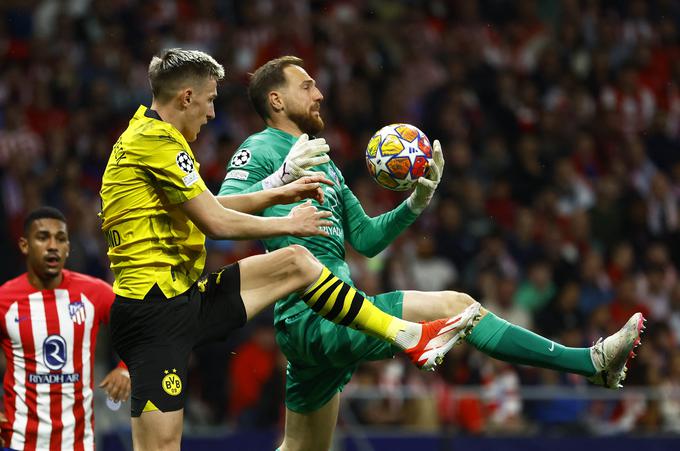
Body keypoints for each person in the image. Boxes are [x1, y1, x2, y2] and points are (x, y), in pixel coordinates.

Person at [218, 56, 646, 451]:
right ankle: (590, 363)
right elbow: (219, 211)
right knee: (459, 307)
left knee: (302, 448)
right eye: (307, 86)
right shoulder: (262, 150)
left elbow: (366, 240)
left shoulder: (323, 160)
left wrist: (415, 204)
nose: (319, 94)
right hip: (315, 317)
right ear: (275, 99)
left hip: (335, 311)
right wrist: (279, 178)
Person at [100, 48, 476, 451]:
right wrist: (287, 220)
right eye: (209, 100)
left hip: (186, 297)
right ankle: (407, 334)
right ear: (186, 97)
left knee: (297, 261)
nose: (212, 113)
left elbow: (210, 204)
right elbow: (216, 222)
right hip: (155, 311)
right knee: (159, 448)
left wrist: (282, 187)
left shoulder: (157, 138)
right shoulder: (155, 141)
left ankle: (405, 335)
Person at [0, 207, 131, 450]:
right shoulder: (5, 300)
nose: (53, 246)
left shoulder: (94, 293)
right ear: (24, 245)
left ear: (68, 247)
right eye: (43, 237)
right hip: (19, 443)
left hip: (78, 443)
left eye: (60, 239)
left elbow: (141, 328)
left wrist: (125, 369)